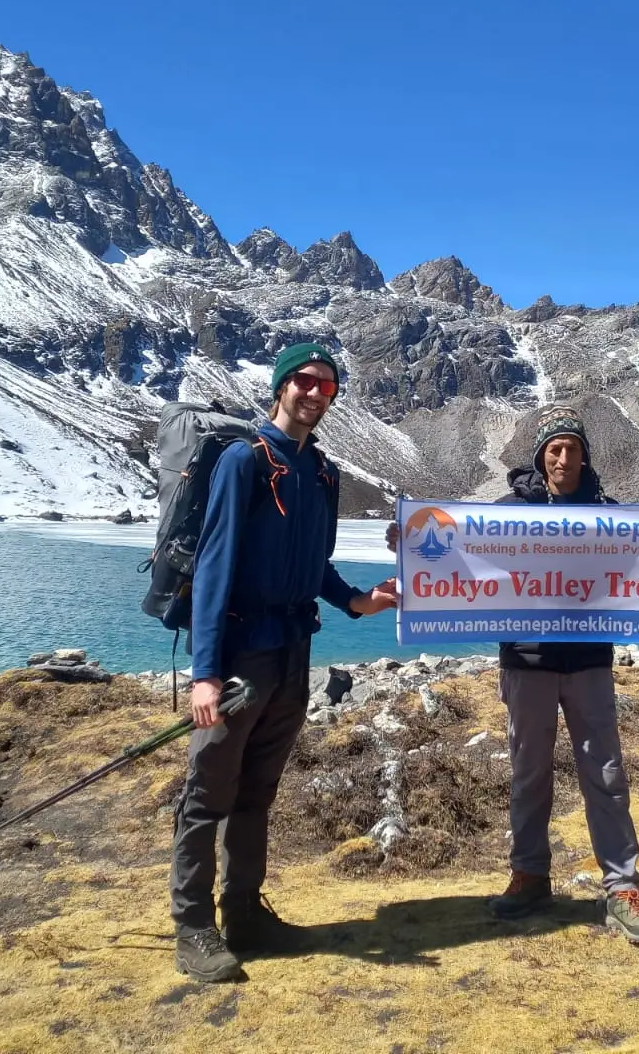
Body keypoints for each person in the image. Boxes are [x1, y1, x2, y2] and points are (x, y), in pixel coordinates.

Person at [171, 342, 398, 983]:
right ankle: (193, 927)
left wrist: (356, 601)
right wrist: (206, 671)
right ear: (282, 386)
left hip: (295, 653)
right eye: (305, 381)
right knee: (208, 790)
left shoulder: (321, 474)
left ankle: (243, 911)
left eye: (328, 387)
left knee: (257, 791)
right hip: (241, 653)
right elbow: (215, 566)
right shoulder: (245, 462)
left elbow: (314, 566)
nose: (316, 394)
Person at [481, 405, 639, 944]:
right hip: (528, 660)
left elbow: (638, 568)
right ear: (540, 455)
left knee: (605, 774)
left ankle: (623, 887)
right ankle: (530, 875)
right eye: (554, 449)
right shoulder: (507, 512)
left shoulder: (609, 514)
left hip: (588, 661)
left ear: (585, 456)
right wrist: (417, 556)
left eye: (573, 448)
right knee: (528, 774)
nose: (563, 458)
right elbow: (464, 560)